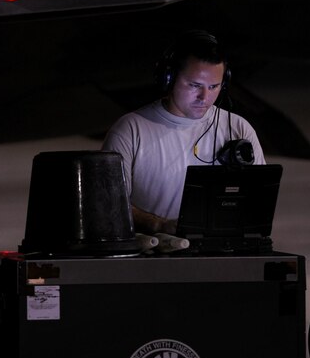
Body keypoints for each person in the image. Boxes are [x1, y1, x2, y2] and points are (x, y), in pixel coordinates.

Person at [101, 29, 265, 235]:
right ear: (169, 78)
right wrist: (159, 225)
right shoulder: (129, 130)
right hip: (152, 258)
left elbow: (258, 203)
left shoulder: (239, 128)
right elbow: (107, 205)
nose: (204, 97)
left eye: (214, 86)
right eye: (194, 85)